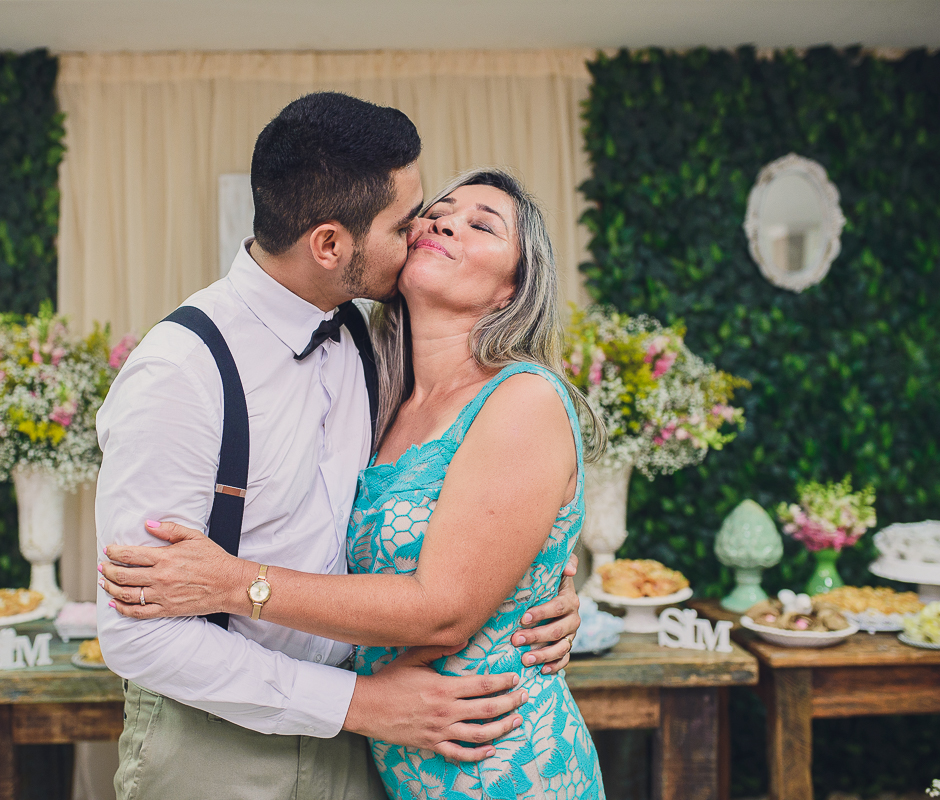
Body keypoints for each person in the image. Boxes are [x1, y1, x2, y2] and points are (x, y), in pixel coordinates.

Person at [95, 93, 584, 800]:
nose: (426, 230)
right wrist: (359, 704)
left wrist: (548, 582)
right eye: (410, 221)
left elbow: (475, 518)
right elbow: (137, 632)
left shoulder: (372, 346)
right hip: (221, 747)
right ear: (330, 245)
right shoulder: (181, 370)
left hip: (383, 744)